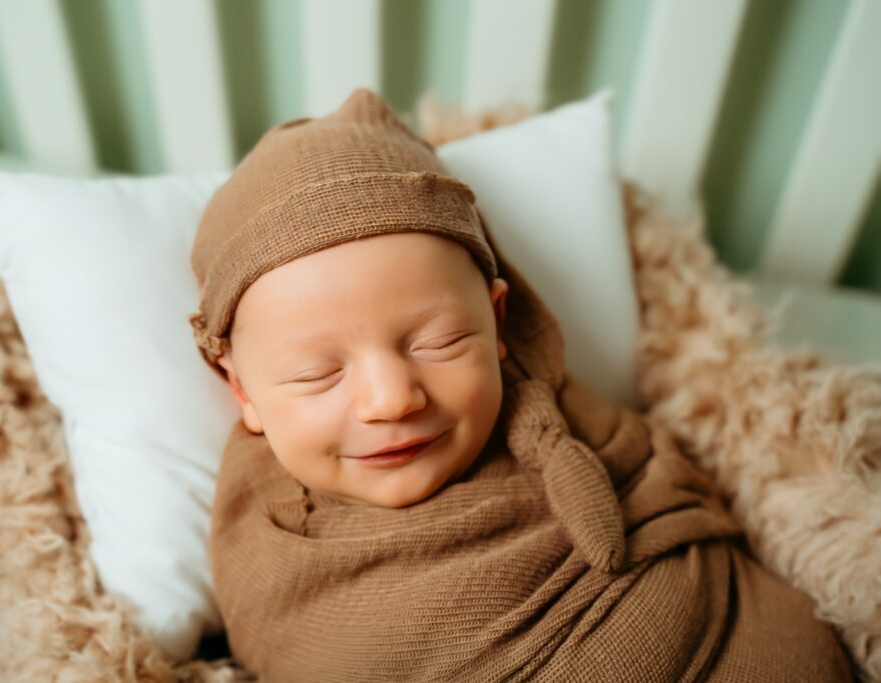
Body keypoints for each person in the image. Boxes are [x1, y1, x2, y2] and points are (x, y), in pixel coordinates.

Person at [188, 87, 854, 681]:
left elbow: (675, 494)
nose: (392, 399)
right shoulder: (266, 537)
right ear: (242, 390)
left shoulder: (562, 414)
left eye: (439, 341)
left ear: (498, 320)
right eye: (319, 373)